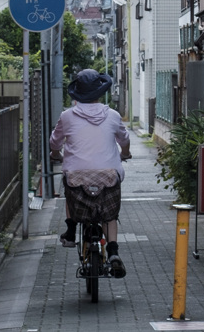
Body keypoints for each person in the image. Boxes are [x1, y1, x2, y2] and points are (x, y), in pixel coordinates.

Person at [49, 69, 131, 277]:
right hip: (109, 176)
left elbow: (55, 141)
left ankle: (70, 230)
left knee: (69, 184)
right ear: (100, 91)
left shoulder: (67, 116)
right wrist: (126, 153)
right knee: (109, 215)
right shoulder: (112, 115)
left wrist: (55, 153)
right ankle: (113, 252)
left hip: (77, 177)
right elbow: (124, 139)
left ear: (77, 92)